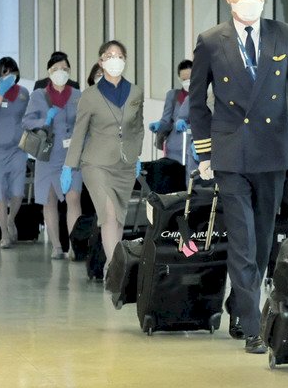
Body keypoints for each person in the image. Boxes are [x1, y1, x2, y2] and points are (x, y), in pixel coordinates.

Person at [189, 0, 288, 353]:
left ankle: (241, 306)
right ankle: (253, 326)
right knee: (243, 239)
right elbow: (197, 101)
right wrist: (204, 150)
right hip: (230, 152)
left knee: (264, 238)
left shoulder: (283, 34)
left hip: (271, 151)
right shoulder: (210, 40)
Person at [62, 40, 144, 270]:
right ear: (101, 61)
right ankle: (114, 267)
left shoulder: (135, 92)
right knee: (107, 214)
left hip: (125, 164)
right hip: (96, 163)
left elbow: (137, 128)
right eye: (109, 55)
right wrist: (69, 165)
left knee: (118, 217)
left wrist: (136, 154)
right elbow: (79, 132)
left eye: (119, 56)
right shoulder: (89, 96)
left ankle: (113, 265)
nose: (115, 59)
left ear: (125, 60)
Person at [22, 52, 83, 260]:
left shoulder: (77, 95)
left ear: (69, 71)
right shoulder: (39, 95)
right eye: (56, 69)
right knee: (49, 200)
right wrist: (44, 121)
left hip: (71, 155)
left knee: (73, 198)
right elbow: (27, 122)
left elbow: (85, 121)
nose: (61, 72)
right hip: (47, 155)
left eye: (64, 69)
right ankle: (56, 246)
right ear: (49, 72)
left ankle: (74, 246)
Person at [0, 57, 30, 249]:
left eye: (12, 71)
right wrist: (0, 94)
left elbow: (28, 116)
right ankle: (4, 233)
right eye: (5, 71)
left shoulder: (23, 93)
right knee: (0, 190)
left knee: (18, 191)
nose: (9, 75)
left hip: (18, 147)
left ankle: (11, 220)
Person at [149, 59, 196, 174]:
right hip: (174, 150)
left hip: (193, 149)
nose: (187, 82)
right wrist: (159, 126)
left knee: (191, 180)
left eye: (190, 78)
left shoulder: (204, 96)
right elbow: (166, 122)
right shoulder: (173, 96)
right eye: (184, 79)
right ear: (179, 79)